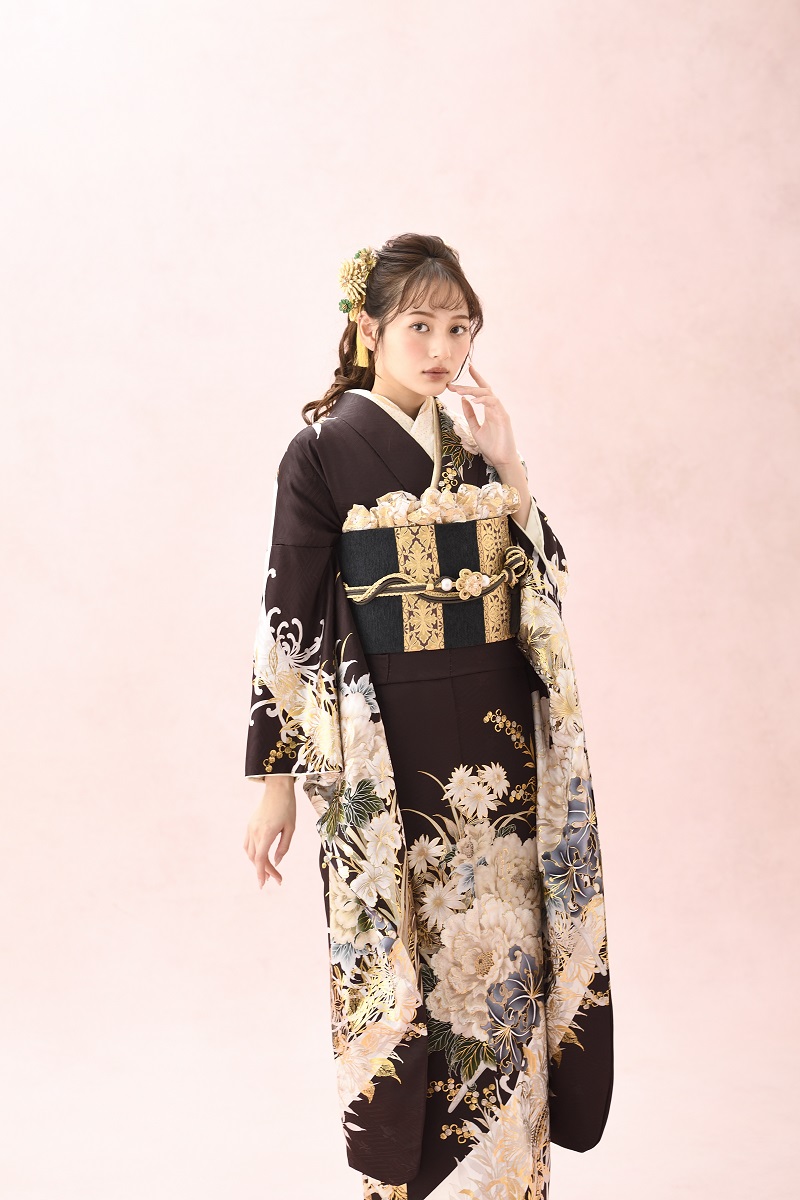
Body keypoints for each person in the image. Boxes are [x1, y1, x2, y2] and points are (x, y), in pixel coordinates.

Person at [242, 233, 613, 1200]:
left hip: (496, 745)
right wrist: (273, 783)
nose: (443, 348)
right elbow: (288, 617)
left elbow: (542, 590)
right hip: (389, 751)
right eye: (421, 326)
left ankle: (512, 1178)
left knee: (506, 954)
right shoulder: (321, 451)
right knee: (407, 965)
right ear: (368, 328)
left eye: (460, 328)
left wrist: (512, 468)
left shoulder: (474, 446)